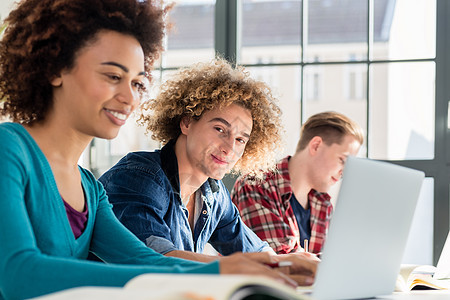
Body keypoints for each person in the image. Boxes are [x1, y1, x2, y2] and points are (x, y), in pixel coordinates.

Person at [0, 1, 299, 299]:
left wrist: (257, 266)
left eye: (138, 83)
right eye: (113, 77)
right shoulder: (9, 149)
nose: (129, 97)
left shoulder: (90, 189)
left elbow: (145, 262)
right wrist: (220, 271)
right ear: (55, 69)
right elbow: (19, 274)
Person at [99, 58, 318, 286]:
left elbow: (253, 249)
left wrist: (288, 263)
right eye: (220, 129)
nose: (230, 148)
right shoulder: (139, 178)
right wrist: (253, 268)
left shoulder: (213, 193)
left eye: (241, 139)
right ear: (186, 123)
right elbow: (155, 262)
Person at [231, 111, 364, 255]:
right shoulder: (256, 184)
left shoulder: (322, 202)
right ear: (316, 146)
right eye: (342, 160)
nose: (344, 172)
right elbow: (280, 262)